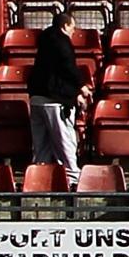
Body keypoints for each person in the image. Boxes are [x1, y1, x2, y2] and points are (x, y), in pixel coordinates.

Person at [24, 16, 85, 179]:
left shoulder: (44, 41)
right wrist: (80, 87)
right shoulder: (62, 42)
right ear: (65, 25)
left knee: (40, 145)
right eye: (73, 27)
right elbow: (67, 67)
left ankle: (39, 179)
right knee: (65, 141)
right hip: (55, 100)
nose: (74, 31)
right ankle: (72, 178)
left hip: (37, 98)